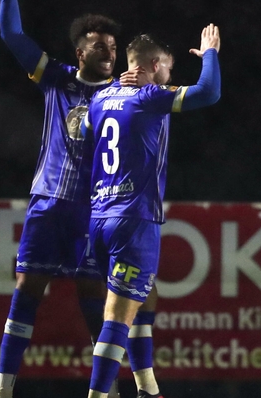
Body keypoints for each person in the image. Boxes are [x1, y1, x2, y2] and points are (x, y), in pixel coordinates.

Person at [0, 0, 151, 398]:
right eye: (100, 46)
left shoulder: (126, 93)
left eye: (113, 47)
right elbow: (11, 33)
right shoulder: (55, 78)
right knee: (28, 287)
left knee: (95, 295)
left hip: (96, 209)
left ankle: (115, 387)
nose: (109, 52)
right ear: (80, 52)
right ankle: (4, 388)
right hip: (49, 200)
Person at [81, 26, 221, 398]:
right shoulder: (150, 96)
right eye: (169, 70)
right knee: (117, 317)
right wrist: (210, 53)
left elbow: (81, 128)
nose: (170, 78)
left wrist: (116, 90)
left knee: (143, 296)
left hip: (99, 220)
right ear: (155, 65)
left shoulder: (101, 98)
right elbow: (210, 92)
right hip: (134, 220)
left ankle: (148, 389)